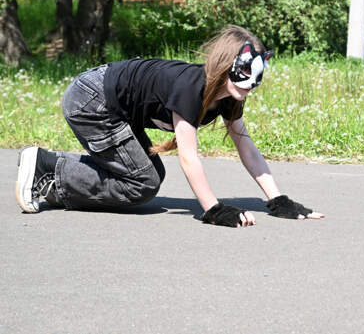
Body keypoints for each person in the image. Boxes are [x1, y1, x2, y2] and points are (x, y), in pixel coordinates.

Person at [15, 25, 324, 227]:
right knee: (143, 182)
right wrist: (213, 208)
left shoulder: (230, 95)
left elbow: (245, 144)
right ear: (225, 65)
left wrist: (277, 199)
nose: (250, 85)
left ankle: (54, 179)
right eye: (245, 73)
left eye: (257, 76)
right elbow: (189, 156)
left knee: (150, 176)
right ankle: (47, 167)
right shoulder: (191, 89)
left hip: (108, 102)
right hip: (92, 100)